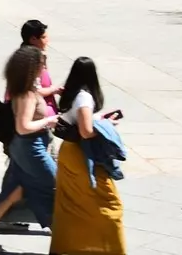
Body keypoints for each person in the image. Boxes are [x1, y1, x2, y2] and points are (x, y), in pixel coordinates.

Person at [0, 45, 61, 252]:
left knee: (15, 191)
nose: (44, 69)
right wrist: (48, 121)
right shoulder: (26, 95)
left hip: (25, 147)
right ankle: (63, 234)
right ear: (32, 68)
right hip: (31, 149)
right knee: (57, 185)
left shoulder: (26, 89)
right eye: (41, 65)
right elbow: (23, 127)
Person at [49, 56, 126, 254]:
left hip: (68, 150)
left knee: (71, 203)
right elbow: (86, 131)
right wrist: (107, 125)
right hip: (81, 154)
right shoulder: (84, 97)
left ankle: (66, 247)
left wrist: (98, 118)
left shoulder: (71, 94)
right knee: (109, 202)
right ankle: (109, 249)